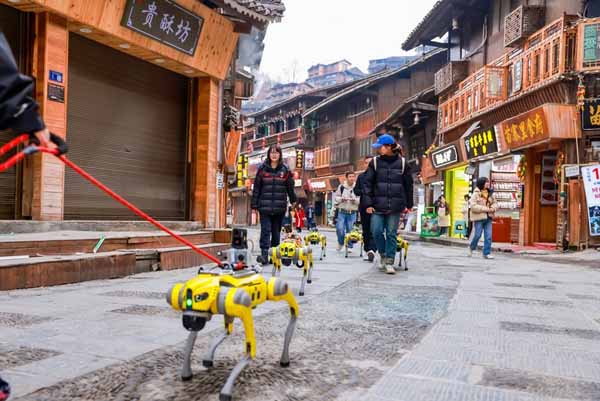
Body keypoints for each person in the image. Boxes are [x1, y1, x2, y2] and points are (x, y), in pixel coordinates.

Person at [363, 134, 413, 274]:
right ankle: (383, 255)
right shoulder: (375, 162)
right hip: (377, 204)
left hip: (395, 205)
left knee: (391, 233)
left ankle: (389, 261)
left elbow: (408, 185)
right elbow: (368, 185)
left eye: (381, 147)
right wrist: (368, 204)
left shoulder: (403, 163)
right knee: (377, 231)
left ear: (389, 147)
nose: (379, 149)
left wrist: (409, 204)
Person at [251, 145, 297, 265]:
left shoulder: (285, 170)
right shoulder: (262, 169)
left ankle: (275, 254)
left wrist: (293, 200)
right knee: (265, 230)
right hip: (264, 206)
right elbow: (257, 188)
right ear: (268, 154)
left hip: (279, 207)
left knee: (276, 231)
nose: (274, 155)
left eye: (276, 152)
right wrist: (254, 205)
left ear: (280, 154)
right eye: (272, 152)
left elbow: (290, 188)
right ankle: (265, 255)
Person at [469, 177, 498, 259]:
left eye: (488, 182)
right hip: (479, 218)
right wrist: (485, 209)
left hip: (489, 217)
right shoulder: (476, 194)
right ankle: (472, 247)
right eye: (486, 182)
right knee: (477, 235)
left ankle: (486, 253)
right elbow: (473, 206)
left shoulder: (490, 193)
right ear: (482, 183)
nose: (488, 184)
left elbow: (495, 203)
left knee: (488, 236)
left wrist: (493, 208)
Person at [354, 155, 376, 261]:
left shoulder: (378, 176)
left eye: (371, 162)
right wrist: (364, 191)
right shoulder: (361, 177)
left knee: (375, 229)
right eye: (367, 162)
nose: (369, 165)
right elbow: (356, 191)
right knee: (366, 229)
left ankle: (372, 249)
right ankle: (368, 250)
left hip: (376, 207)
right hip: (363, 206)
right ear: (364, 164)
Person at [333, 171, 359, 251]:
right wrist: (341, 199)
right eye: (350, 176)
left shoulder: (357, 187)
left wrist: (354, 200)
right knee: (339, 229)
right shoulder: (341, 187)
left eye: (353, 176)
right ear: (346, 178)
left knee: (351, 230)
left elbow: (360, 200)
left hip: (352, 212)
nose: (352, 178)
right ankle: (341, 242)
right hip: (342, 211)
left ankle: (350, 246)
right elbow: (336, 198)